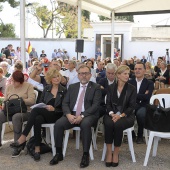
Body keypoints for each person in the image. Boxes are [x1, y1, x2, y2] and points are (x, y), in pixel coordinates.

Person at [49, 65, 102, 168]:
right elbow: (65, 103)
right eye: (81, 73)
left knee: (86, 124)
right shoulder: (73, 87)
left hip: (88, 114)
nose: (84, 76)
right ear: (78, 75)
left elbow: (95, 106)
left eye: (86, 73)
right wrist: (68, 114)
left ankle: (85, 154)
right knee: (59, 124)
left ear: (90, 75)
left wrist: (82, 116)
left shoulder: (96, 87)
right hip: (72, 114)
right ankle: (58, 153)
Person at [10, 69, 67, 161]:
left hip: (57, 115)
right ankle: (37, 149)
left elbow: (65, 108)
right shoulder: (47, 89)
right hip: (45, 114)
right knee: (37, 118)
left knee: (36, 111)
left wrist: (54, 109)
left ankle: (23, 137)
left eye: (58, 76)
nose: (57, 78)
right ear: (50, 79)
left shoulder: (64, 91)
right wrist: (44, 107)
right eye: (54, 77)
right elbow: (40, 103)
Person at [104, 65, 136, 167]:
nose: (127, 76)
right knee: (108, 123)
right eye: (125, 74)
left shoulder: (131, 89)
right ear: (118, 75)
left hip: (126, 116)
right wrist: (112, 114)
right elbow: (108, 104)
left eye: (128, 74)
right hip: (111, 114)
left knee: (118, 125)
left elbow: (131, 107)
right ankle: (109, 152)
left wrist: (120, 115)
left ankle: (116, 153)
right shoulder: (110, 87)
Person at [0, 71, 35, 155]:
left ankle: (18, 144)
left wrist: (19, 101)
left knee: (16, 117)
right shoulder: (9, 87)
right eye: (13, 80)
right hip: (10, 111)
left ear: (21, 81)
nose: (14, 83)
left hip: (25, 111)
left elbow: (32, 100)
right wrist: (5, 105)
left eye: (16, 81)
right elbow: (5, 100)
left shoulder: (28, 86)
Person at [129, 62, 154, 144]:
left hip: (143, 105)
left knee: (141, 114)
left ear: (144, 70)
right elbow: (129, 96)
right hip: (132, 105)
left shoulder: (149, 83)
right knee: (128, 113)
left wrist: (134, 95)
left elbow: (147, 97)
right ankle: (132, 135)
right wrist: (142, 95)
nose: (137, 70)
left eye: (139, 69)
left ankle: (140, 135)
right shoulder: (130, 82)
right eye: (135, 69)